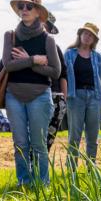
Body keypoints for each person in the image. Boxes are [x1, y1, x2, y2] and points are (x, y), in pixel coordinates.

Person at [2, 0, 61, 186]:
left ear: (38, 12)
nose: (24, 10)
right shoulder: (10, 36)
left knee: (38, 143)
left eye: (29, 6)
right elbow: (8, 65)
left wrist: (27, 62)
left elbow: (55, 72)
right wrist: (34, 59)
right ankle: (24, 182)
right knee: (20, 143)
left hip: (40, 96)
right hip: (14, 96)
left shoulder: (48, 40)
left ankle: (42, 183)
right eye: (21, 6)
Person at [64, 23, 101, 167]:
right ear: (80, 34)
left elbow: (99, 76)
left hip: (95, 97)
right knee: (74, 136)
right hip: (75, 97)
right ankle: (71, 169)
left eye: (92, 36)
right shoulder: (69, 54)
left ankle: (91, 169)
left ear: (94, 40)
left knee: (92, 137)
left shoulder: (97, 57)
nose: (88, 37)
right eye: (86, 34)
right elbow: (64, 76)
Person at [44, 14, 68, 152]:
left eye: (46, 25)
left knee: (47, 140)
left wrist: (63, 99)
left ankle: (39, 170)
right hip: (35, 95)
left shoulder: (56, 48)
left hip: (56, 97)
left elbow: (63, 74)